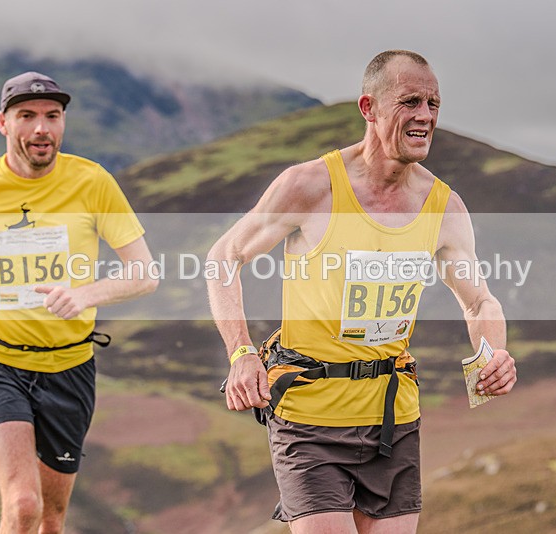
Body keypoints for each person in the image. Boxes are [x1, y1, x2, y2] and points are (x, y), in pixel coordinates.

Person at [206, 50, 517, 533]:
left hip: (392, 421)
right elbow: (224, 258)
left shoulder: (443, 206)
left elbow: (480, 300)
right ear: (369, 109)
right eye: (410, 101)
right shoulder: (310, 185)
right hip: (309, 415)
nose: (426, 116)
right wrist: (242, 352)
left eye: (434, 103)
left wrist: (492, 351)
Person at [0, 71, 158, 534]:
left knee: (51, 519)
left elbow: (145, 273)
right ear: (4, 122)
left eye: (52, 116)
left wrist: (85, 294)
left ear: (62, 124)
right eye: (27, 116)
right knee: (22, 505)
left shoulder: (92, 182)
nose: (42, 128)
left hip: (70, 368)